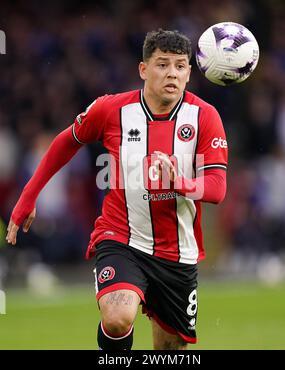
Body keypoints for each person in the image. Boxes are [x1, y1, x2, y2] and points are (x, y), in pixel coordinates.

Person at [6, 29, 228, 350]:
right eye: (162, 64)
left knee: (169, 348)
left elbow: (217, 188)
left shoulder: (205, 117)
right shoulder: (112, 111)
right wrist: (28, 197)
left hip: (178, 252)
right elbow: (67, 141)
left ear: (190, 73)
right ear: (143, 69)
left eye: (180, 66)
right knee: (117, 317)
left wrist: (182, 183)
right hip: (122, 237)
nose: (172, 74)